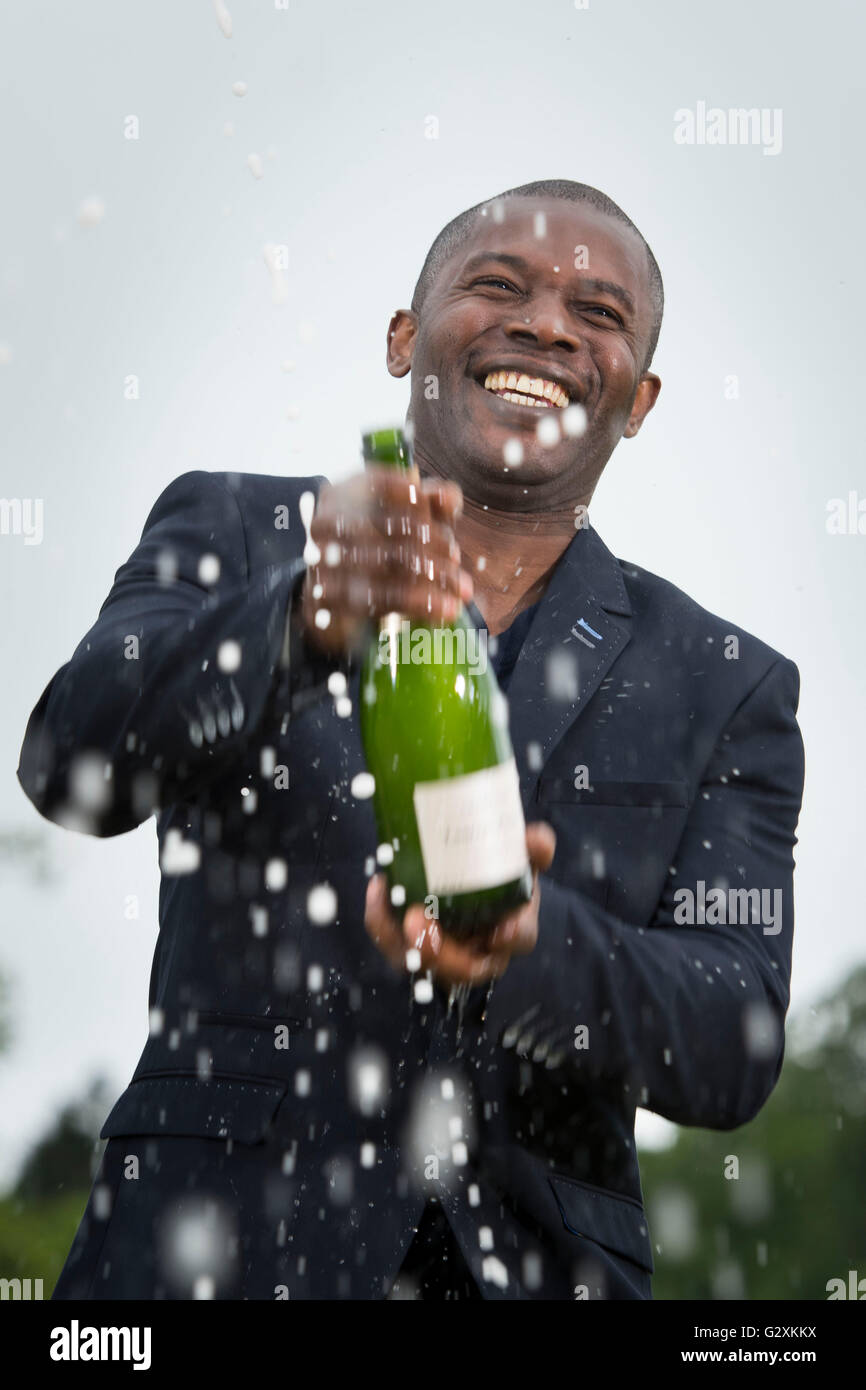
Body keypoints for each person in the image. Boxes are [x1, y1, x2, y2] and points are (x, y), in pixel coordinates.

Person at [17, 179, 804, 1301]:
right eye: (497, 285)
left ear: (638, 400)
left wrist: (523, 944)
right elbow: (69, 766)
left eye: (599, 311)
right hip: (201, 1261)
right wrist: (295, 616)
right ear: (403, 337)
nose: (544, 324)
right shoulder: (239, 531)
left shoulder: (724, 681)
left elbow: (731, 1042)